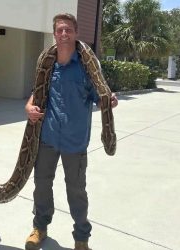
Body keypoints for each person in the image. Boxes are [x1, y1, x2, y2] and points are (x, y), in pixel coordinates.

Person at [24, 13, 118, 250]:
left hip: (75, 140)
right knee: (42, 185)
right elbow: (37, 92)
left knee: (76, 190)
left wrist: (109, 100)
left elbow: (99, 97)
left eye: (68, 30)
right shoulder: (47, 62)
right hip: (47, 137)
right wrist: (29, 106)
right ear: (54, 34)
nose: (64, 34)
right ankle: (40, 228)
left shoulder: (87, 66)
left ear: (76, 33)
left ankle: (81, 238)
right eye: (59, 30)